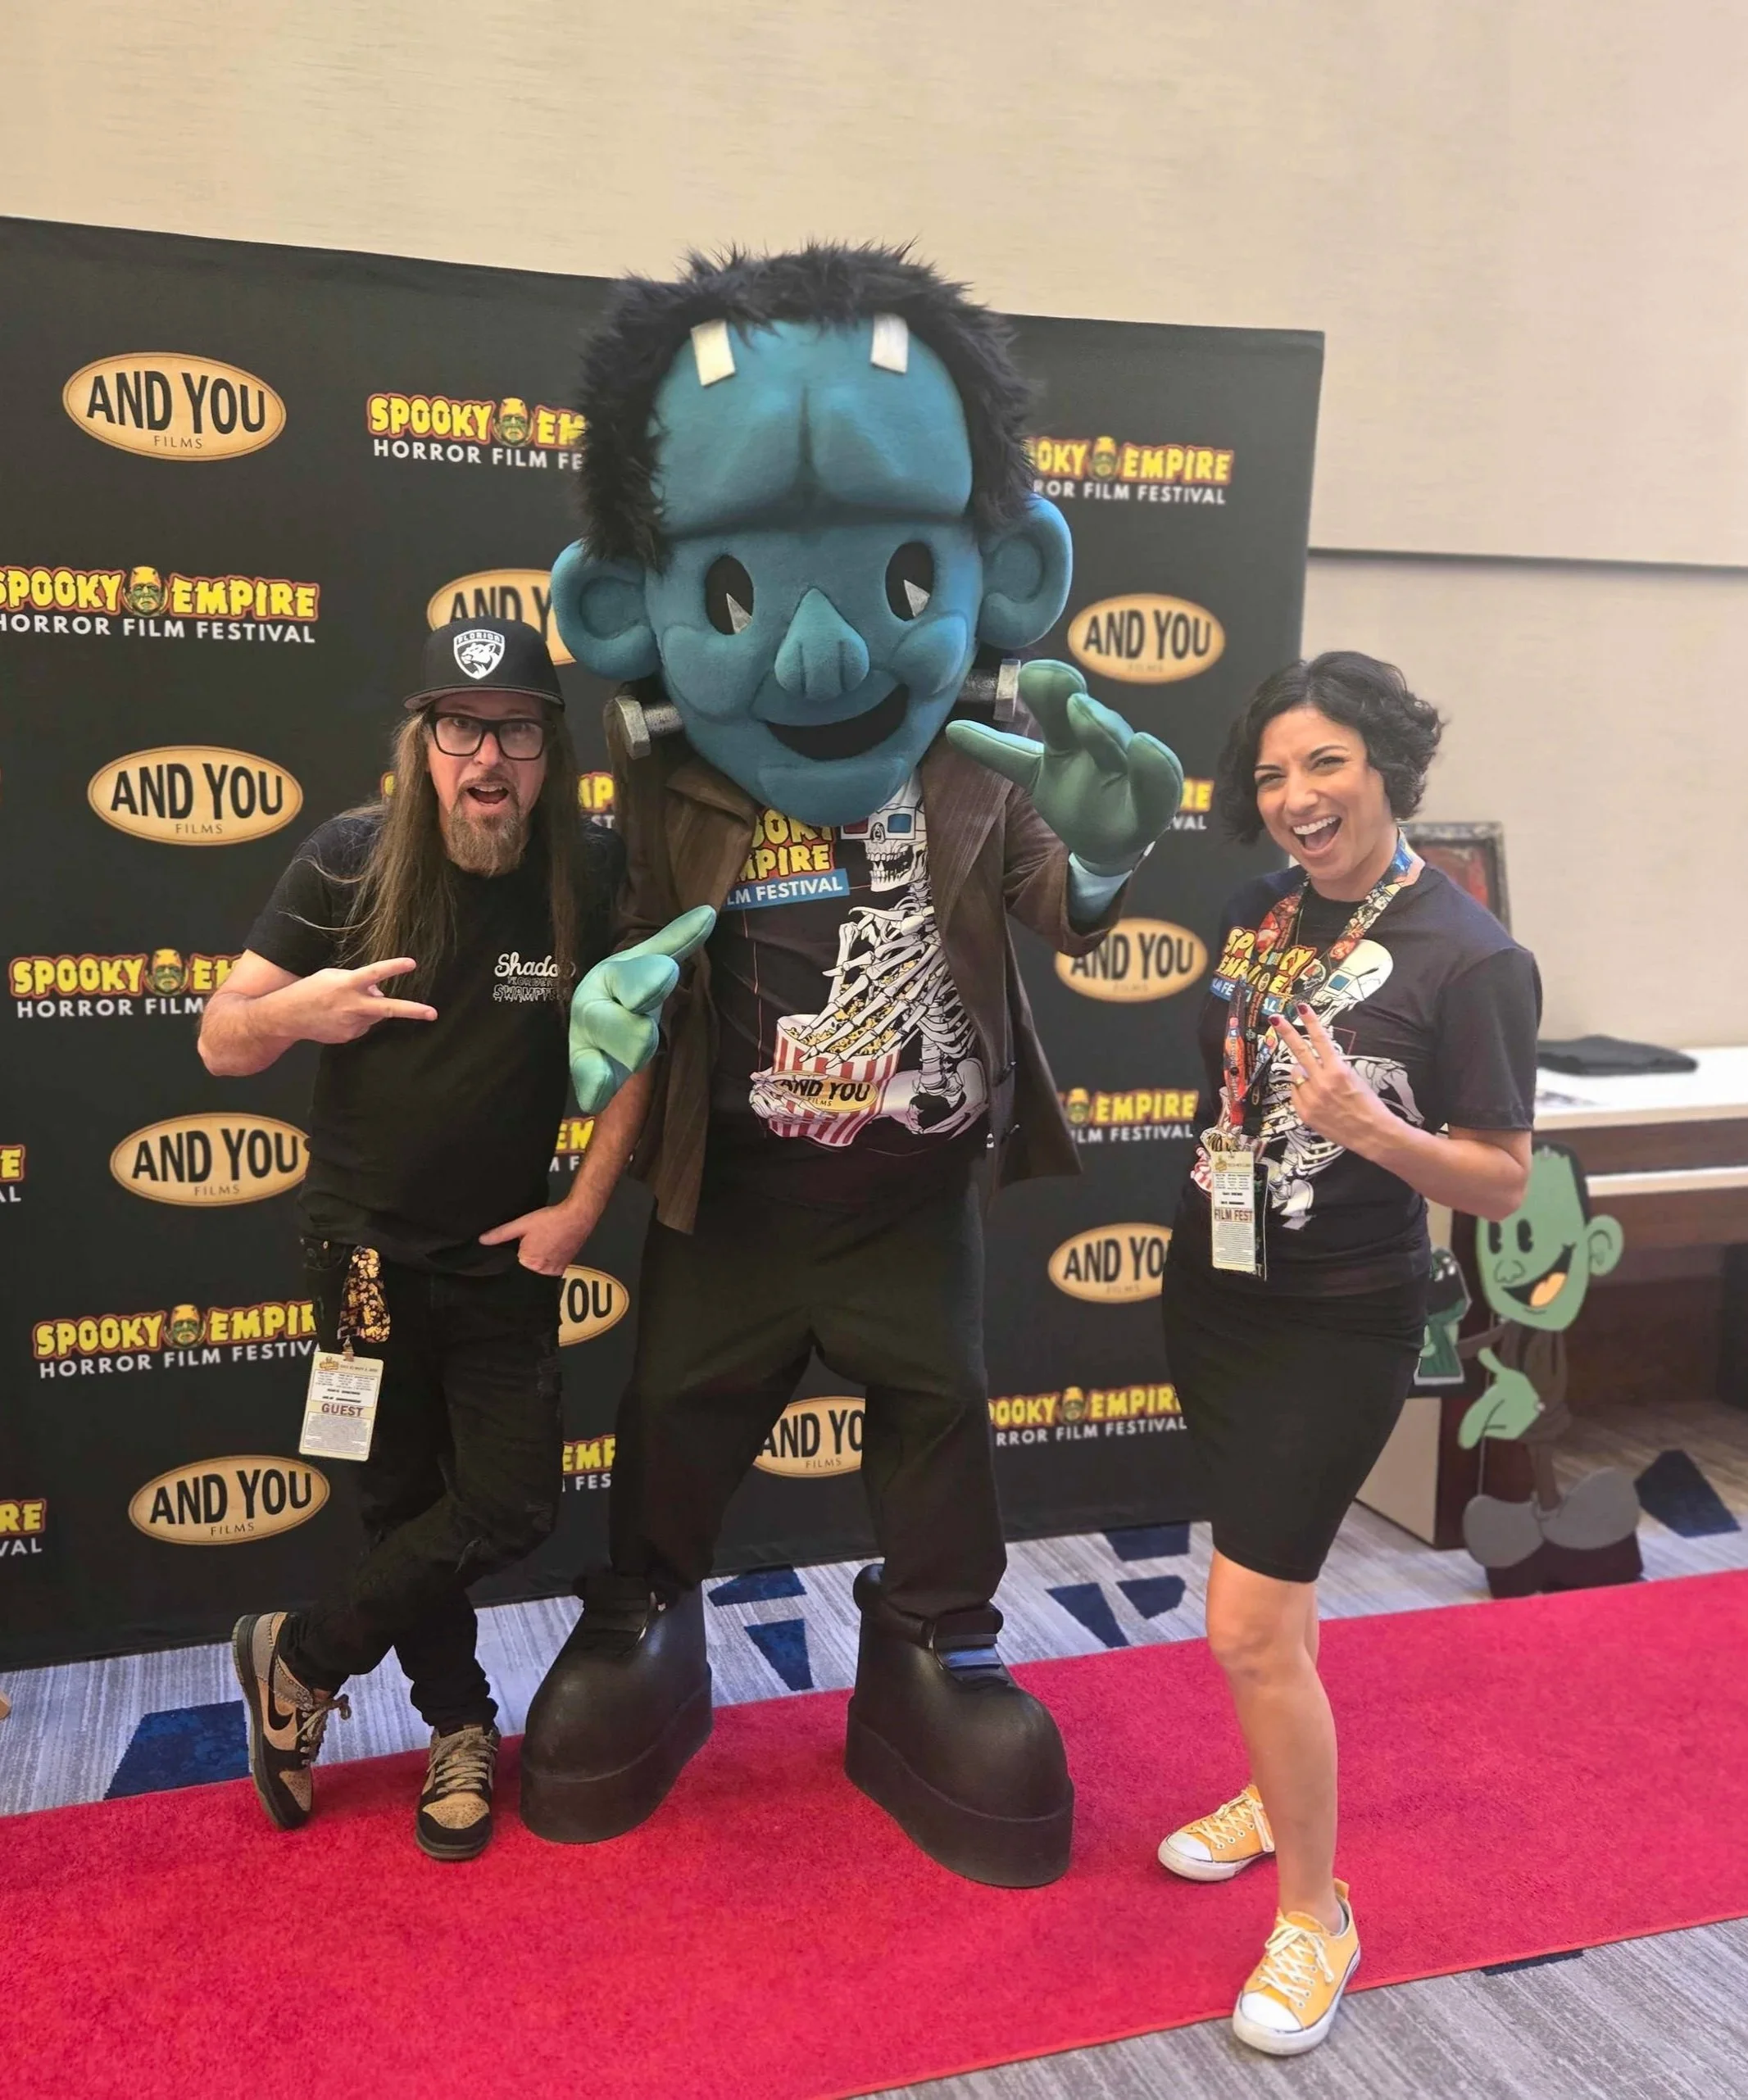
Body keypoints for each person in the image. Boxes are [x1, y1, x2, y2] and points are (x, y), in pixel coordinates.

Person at [519, 244, 1184, 1889]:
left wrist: (1101, 860)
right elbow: (598, 971)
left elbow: (1065, 909)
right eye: (734, 598)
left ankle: (940, 1645)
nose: (817, 665)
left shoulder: (980, 774)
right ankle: (643, 1615)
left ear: (998, 570)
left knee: (939, 1419)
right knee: (674, 1410)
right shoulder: (667, 807)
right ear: (632, 610)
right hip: (728, 1201)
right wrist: (582, 1027)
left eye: (898, 578)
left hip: (908, 1197)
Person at [198, 617, 704, 1860]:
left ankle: (301, 1653)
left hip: (502, 1254)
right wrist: (302, 1009)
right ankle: (459, 1722)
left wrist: (585, 1204)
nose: (491, 759)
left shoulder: (587, 868)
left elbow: (642, 1036)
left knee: (515, 1499)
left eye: (519, 731)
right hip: (359, 1260)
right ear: (424, 746)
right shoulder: (347, 862)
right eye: (463, 730)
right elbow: (221, 1037)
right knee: (397, 1500)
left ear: (553, 749)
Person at [1156, 651, 1539, 2052]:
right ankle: (1276, 1787)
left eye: (1325, 763)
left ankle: (1315, 1914)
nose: (1296, 796)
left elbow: (1502, 1180)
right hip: (1220, 1292)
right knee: (1281, 1595)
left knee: (1246, 1624)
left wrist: (1369, 1125)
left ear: (1386, 769)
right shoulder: (1254, 908)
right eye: (1270, 772)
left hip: (1344, 1319)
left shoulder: (1473, 953)